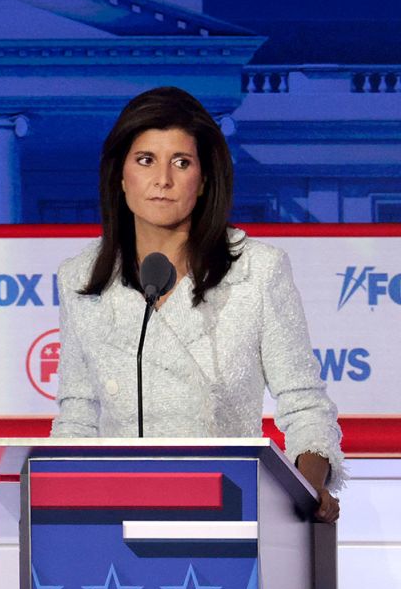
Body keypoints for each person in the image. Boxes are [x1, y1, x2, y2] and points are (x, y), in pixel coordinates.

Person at [50, 86, 343, 522]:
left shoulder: (258, 271)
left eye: (181, 163)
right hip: (112, 517)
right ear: (120, 176)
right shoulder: (80, 279)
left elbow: (305, 408)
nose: (162, 180)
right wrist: (57, 505)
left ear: (204, 179)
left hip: (230, 511)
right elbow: (77, 415)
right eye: (145, 160)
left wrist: (307, 489)